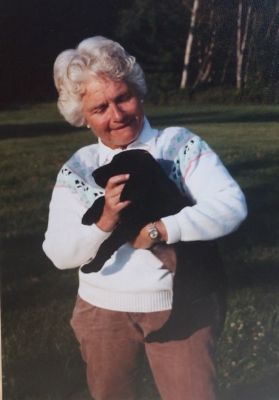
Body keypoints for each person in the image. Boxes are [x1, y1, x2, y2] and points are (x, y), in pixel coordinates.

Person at [43, 36, 247, 400]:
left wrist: (160, 229)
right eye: (100, 107)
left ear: (139, 92)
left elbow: (231, 205)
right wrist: (104, 221)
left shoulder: (179, 146)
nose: (117, 114)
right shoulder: (78, 168)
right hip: (101, 312)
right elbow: (59, 253)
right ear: (83, 118)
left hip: (180, 304)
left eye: (123, 97)